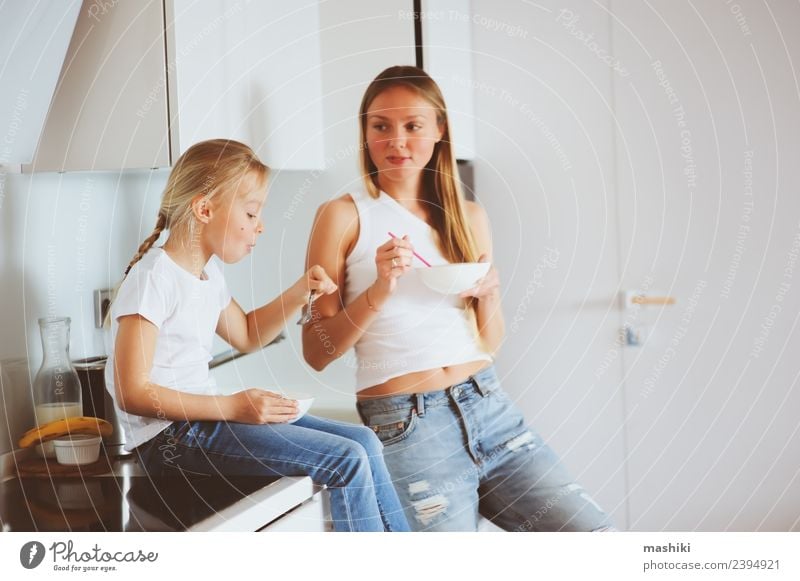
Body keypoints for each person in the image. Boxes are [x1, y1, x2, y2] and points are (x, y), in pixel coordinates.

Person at [302, 66, 615, 532]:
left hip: (490, 405)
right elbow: (316, 351)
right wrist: (379, 289)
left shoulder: (469, 216)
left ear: (440, 129)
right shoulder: (343, 217)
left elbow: (489, 341)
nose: (397, 140)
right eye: (380, 126)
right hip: (408, 426)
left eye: (413, 125)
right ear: (364, 132)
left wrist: (489, 295)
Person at [106, 139, 409, 532]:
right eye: (251, 213)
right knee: (346, 459)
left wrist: (301, 290)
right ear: (204, 208)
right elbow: (131, 391)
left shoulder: (206, 274)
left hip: (200, 425)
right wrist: (233, 407)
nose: (260, 225)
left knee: (365, 443)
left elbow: (247, 334)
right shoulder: (153, 279)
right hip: (171, 443)